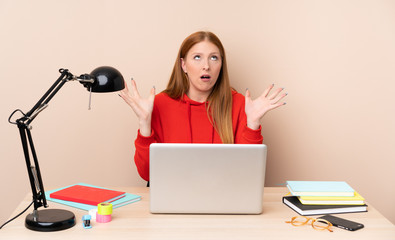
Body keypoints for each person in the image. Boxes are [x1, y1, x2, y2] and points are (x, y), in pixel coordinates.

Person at [120, 31, 287, 182]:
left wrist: (252, 124)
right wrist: (144, 123)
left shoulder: (241, 105)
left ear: (221, 65)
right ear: (183, 65)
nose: (206, 65)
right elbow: (147, 174)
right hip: (173, 200)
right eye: (197, 57)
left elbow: (248, 173)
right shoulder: (159, 104)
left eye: (214, 57)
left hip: (224, 200)